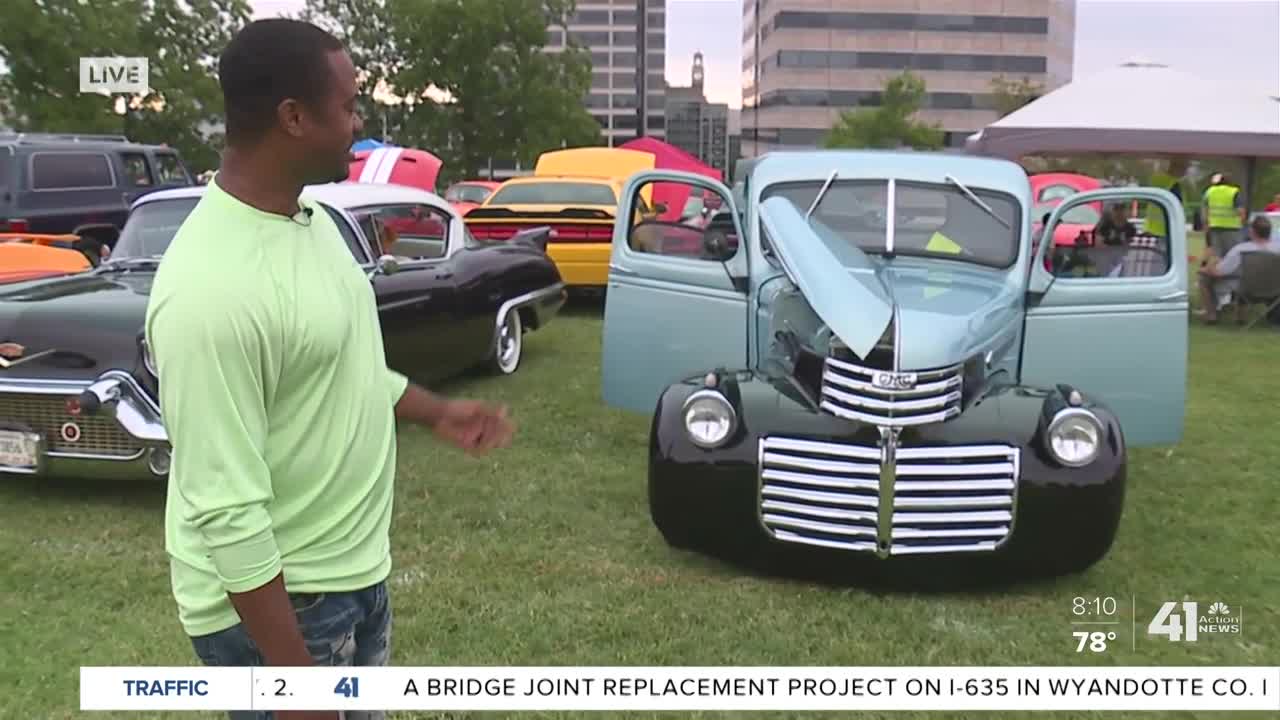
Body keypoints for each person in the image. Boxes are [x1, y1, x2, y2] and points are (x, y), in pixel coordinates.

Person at [144, 19, 514, 720]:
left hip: (350, 576)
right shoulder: (208, 290)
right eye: (347, 106)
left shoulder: (310, 222)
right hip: (282, 612)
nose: (358, 121)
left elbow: (337, 369)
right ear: (293, 118)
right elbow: (224, 507)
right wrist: (293, 684)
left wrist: (435, 410)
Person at [1196, 214, 1280, 323]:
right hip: (1275, 290)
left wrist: (1206, 268)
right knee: (1244, 279)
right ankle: (1240, 317)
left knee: (1204, 278)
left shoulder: (1241, 250)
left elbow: (1219, 272)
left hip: (1247, 289)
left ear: (1252, 231)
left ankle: (1211, 315)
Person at [1202, 171, 1246, 260]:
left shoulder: (1209, 191)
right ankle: (1231, 272)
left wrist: (1206, 223)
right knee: (1233, 253)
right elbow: (1241, 211)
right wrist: (1243, 222)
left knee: (1218, 254)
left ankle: (1219, 270)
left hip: (1214, 226)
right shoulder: (1233, 192)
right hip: (1232, 228)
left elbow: (1205, 210)